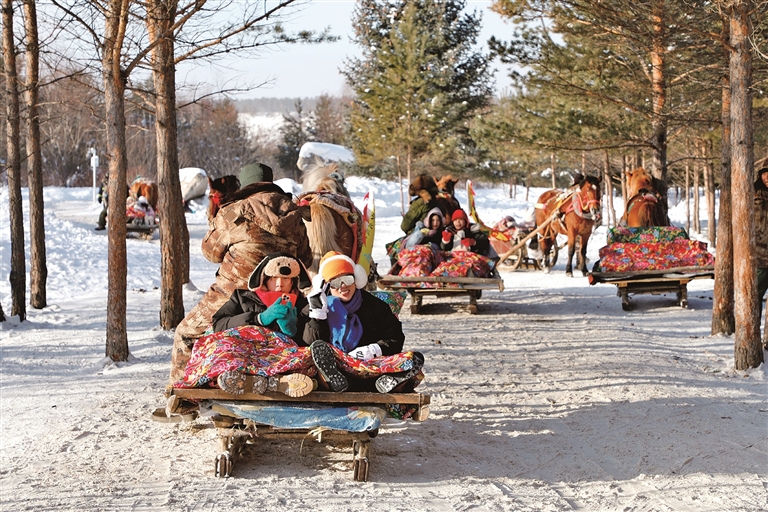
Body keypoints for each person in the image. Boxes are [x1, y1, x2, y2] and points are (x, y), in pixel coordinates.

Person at [169, 162, 313, 389]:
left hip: (231, 295)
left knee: (185, 334)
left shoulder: (232, 212)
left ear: (246, 185)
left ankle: (183, 394)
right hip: (281, 295)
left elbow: (210, 253)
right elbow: (306, 259)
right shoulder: (293, 214)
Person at [302, 251, 424, 393]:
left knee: (413, 358)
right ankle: (339, 382)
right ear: (327, 285)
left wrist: (373, 350)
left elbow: (395, 337)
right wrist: (317, 316)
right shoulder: (314, 306)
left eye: (347, 279)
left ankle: (384, 383)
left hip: (371, 366)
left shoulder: (375, 306)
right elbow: (309, 346)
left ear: (356, 279)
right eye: (335, 282)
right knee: (320, 363)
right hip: (335, 367)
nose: (342, 286)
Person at [209, 253, 315, 397]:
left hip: (280, 358)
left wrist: (292, 331)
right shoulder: (242, 298)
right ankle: (253, 380)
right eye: (273, 278)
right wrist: (258, 319)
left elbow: (309, 343)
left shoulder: (304, 306)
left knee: (306, 358)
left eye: (286, 278)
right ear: (264, 278)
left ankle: (274, 382)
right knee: (222, 347)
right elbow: (219, 324)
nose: (279, 284)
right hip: (247, 353)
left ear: (294, 281)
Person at [755, 167, 768, 332]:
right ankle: (754, 330)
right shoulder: (752, 193)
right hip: (759, 255)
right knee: (756, 295)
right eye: (765, 173)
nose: (767, 177)